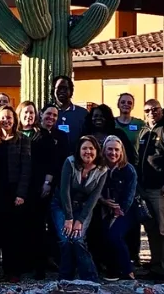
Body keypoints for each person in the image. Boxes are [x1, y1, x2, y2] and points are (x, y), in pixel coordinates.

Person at [51, 135, 107, 282]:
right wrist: (69, 218)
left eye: (91, 148)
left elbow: (94, 198)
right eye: (84, 148)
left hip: (84, 208)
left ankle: (90, 278)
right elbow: (64, 191)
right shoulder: (70, 162)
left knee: (77, 239)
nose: (87, 151)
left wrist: (80, 220)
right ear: (79, 150)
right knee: (64, 239)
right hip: (62, 204)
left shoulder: (102, 170)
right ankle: (65, 277)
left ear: (97, 150)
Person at [0, 105, 31, 283]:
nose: (6, 120)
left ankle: (13, 271)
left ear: (15, 120)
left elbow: (26, 168)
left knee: (13, 234)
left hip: (14, 192)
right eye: (2, 117)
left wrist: (21, 193)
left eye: (9, 117)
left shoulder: (22, 140)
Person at [16, 101, 57, 279]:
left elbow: (51, 162)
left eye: (32, 113)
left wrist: (48, 182)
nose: (29, 116)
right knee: (20, 227)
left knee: (38, 227)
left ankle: (39, 266)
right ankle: (23, 263)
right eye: (26, 112)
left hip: (38, 187)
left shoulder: (43, 136)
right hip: (18, 188)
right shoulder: (14, 135)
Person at [90, 135, 137, 281]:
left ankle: (127, 270)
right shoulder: (98, 167)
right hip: (103, 208)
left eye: (117, 150)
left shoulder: (129, 170)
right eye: (110, 149)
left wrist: (118, 211)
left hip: (125, 210)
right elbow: (92, 190)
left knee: (114, 234)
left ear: (122, 151)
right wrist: (104, 201)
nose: (113, 153)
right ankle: (108, 267)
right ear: (104, 150)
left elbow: (129, 196)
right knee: (99, 232)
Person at [137, 99, 164, 279]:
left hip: (159, 189)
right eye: (147, 110)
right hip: (144, 188)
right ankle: (156, 265)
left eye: (155, 109)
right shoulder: (144, 131)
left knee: (163, 228)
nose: (151, 112)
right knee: (151, 228)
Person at [53, 76, 88, 156]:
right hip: (54, 159)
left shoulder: (82, 113)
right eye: (58, 88)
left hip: (77, 159)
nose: (61, 91)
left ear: (71, 91)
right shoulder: (48, 113)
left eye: (65, 88)